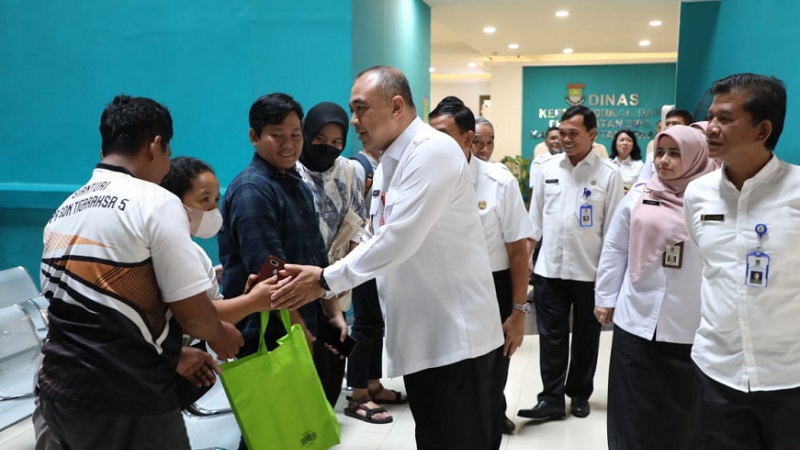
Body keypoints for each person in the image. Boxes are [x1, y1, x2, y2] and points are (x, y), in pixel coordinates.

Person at [271, 66, 504, 450]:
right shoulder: (388, 165)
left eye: (362, 110)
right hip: (425, 337)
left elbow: (399, 239)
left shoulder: (432, 151)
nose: (355, 122)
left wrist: (327, 280)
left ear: (397, 106)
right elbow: (375, 232)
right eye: (353, 110)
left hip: (457, 339)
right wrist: (329, 267)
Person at [37, 95, 243, 450]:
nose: (165, 169)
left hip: (57, 393)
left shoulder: (63, 211)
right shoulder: (156, 202)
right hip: (126, 400)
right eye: (166, 155)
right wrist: (220, 335)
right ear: (155, 144)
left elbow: (95, 316)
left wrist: (173, 355)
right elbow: (194, 317)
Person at [684, 73, 800, 448]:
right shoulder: (698, 194)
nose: (710, 128)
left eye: (725, 119)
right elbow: (710, 267)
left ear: (762, 129)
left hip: (790, 377)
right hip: (718, 372)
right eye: (711, 118)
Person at [216, 93, 337, 450]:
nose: (289, 144)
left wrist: (328, 315)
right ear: (254, 136)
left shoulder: (293, 183)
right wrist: (300, 329)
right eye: (277, 135)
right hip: (269, 330)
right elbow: (270, 272)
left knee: (292, 425)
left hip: (300, 321)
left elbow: (313, 255)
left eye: (295, 134)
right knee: (270, 426)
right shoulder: (254, 189)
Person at [595, 125, 714, 449]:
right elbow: (615, 246)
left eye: (675, 153)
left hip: (689, 323)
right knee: (631, 409)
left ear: (695, 156)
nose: (664, 161)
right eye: (660, 152)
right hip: (636, 318)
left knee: (681, 414)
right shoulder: (640, 193)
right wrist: (605, 297)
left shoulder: (713, 197)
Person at [429, 96, 535, 444]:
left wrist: (518, 312)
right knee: (446, 386)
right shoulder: (423, 178)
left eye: (443, 134)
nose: (433, 143)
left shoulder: (497, 180)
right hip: (440, 290)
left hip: (492, 288)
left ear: (467, 139)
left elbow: (518, 252)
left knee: (488, 387)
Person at [519, 105, 624, 422]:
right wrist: (527, 261)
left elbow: (613, 232)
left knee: (586, 337)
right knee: (551, 337)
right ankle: (550, 398)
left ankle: (579, 393)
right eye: (562, 133)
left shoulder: (608, 174)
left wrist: (608, 281)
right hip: (549, 269)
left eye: (573, 134)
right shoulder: (547, 168)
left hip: (589, 272)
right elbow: (534, 220)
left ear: (592, 135)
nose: (565, 139)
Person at [296, 101, 363, 409]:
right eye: (320, 139)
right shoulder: (290, 170)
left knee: (332, 361)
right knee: (300, 366)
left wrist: (344, 272)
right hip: (298, 282)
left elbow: (359, 223)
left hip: (337, 282)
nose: (328, 147)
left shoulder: (350, 171)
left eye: (337, 142)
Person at [638, 109, 694, 183]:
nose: (669, 127)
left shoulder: (695, 155)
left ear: (688, 127)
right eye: (667, 124)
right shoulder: (653, 155)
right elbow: (641, 183)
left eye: (675, 124)